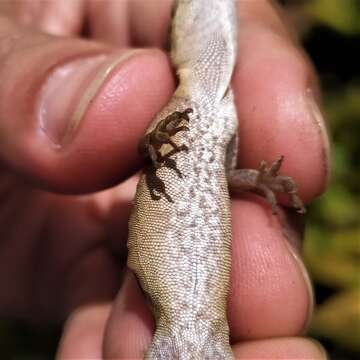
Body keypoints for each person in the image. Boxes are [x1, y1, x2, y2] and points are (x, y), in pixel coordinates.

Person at [0, 1, 329, 358]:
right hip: (183, 320)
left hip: (201, 323)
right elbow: (157, 152)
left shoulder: (215, 107)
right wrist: (156, 141)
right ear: (177, 37)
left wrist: (258, 179)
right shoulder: (185, 103)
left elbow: (220, 176)